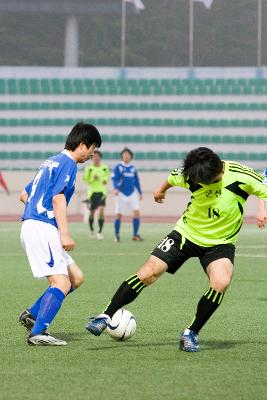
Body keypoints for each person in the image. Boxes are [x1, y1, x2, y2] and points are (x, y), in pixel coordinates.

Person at [86, 147, 267, 352]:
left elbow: (263, 187)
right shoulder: (191, 173)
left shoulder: (241, 175)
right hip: (185, 234)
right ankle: (106, 315)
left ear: (217, 173)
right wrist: (160, 190)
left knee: (221, 282)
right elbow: (172, 178)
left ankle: (191, 332)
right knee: (148, 273)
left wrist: (262, 210)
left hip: (220, 243)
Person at [19, 122, 102, 346]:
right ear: (83, 144)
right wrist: (63, 232)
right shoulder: (68, 163)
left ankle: (33, 314)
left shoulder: (51, 161)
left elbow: (24, 194)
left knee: (76, 278)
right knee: (61, 283)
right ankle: (38, 332)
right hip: (42, 228)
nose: (93, 153)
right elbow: (58, 198)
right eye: (93, 148)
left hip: (36, 225)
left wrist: (35, 213)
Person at [112, 147, 143, 242]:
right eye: (124, 154)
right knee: (118, 215)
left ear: (131, 156)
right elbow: (114, 179)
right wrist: (116, 188)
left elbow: (136, 181)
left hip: (132, 193)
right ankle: (116, 235)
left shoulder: (133, 169)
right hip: (121, 193)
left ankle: (135, 235)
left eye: (128, 154)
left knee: (136, 213)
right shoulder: (118, 167)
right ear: (122, 156)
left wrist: (140, 192)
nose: (126, 156)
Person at [83, 150, 109, 240]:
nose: (96, 158)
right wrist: (92, 179)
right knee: (92, 212)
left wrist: (104, 180)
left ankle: (100, 232)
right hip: (92, 193)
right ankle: (91, 230)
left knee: (101, 210)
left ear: (100, 158)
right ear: (92, 158)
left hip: (102, 192)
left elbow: (106, 179)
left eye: (97, 156)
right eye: (94, 156)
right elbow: (86, 180)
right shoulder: (89, 168)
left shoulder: (105, 168)